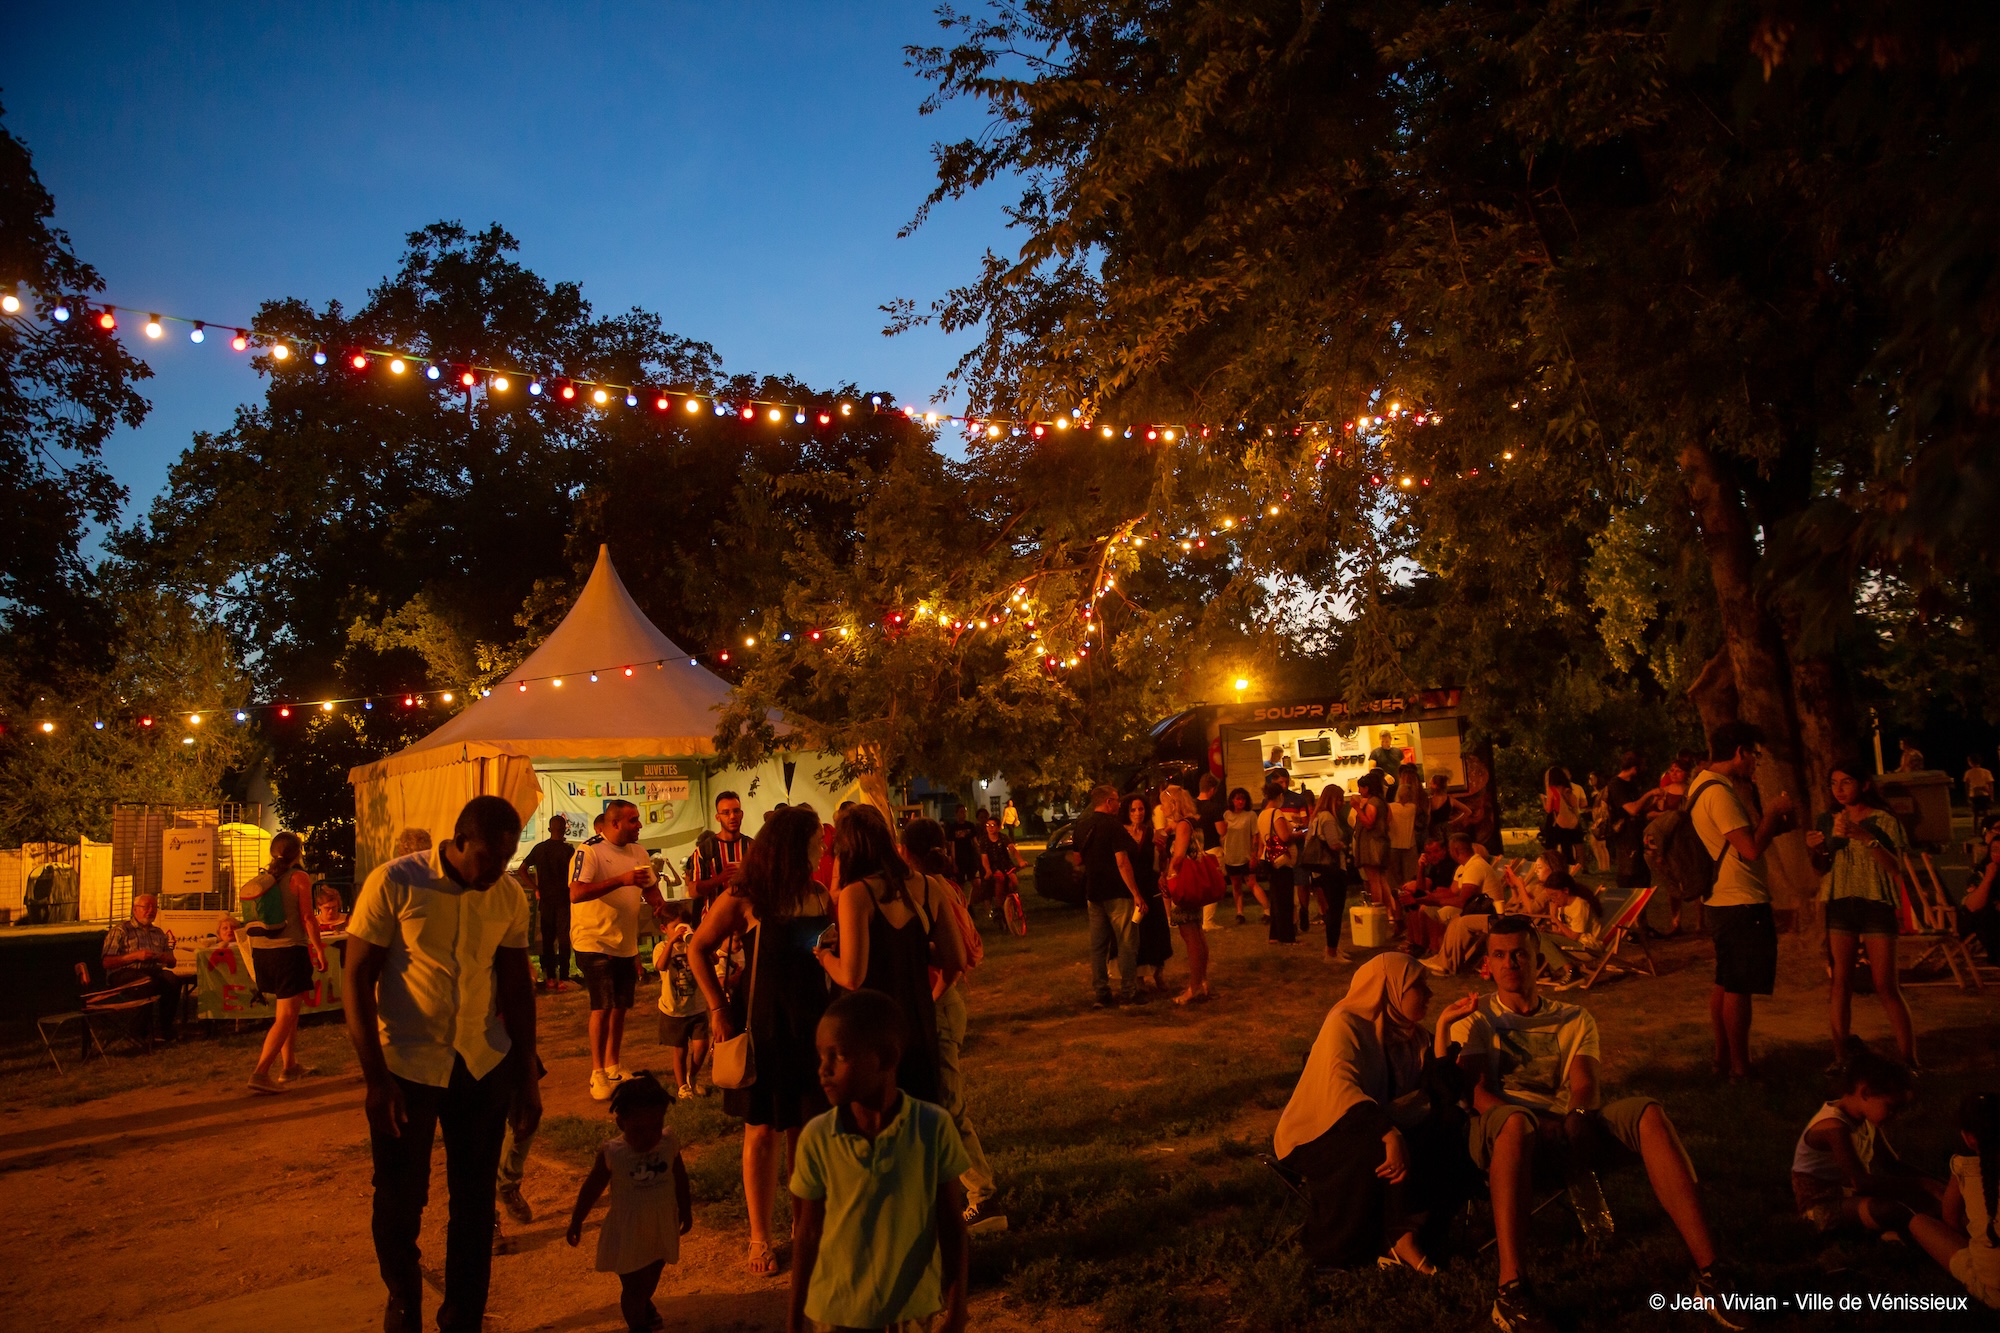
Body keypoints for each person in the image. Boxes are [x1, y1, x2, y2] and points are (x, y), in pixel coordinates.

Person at [1451, 916, 1735, 1332]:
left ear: (1536, 960)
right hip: (1503, 1134)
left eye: (1519, 954)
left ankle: (1712, 1273)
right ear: (1488, 965)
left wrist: (1577, 1117)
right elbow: (1478, 1095)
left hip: (1567, 1130)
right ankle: (1510, 1290)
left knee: (1648, 1113)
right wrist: (1535, 1119)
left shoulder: (1574, 1017)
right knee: (1514, 1122)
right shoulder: (1475, 1020)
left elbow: (1585, 1084)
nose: (1510, 962)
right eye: (1499, 955)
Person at [343, 796, 540, 1333]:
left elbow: (518, 987)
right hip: (406, 1065)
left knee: (475, 1203)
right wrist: (375, 1080)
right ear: (458, 840)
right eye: (490, 857)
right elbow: (357, 976)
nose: (499, 870)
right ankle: (403, 1299)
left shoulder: (506, 896)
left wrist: (526, 1074)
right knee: (401, 1199)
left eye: (508, 858)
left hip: (480, 1061)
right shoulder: (395, 882)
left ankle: (463, 1319)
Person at [691, 805, 833, 1277]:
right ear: (795, 845)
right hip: (764, 1024)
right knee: (761, 1131)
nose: (821, 848)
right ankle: (759, 1236)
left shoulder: (817, 895)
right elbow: (698, 948)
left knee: (806, 1132)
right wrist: (717, 1008)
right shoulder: (746, 898)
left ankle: (802, 1227)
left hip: (812, 1026)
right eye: (815, 840)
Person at [1275, 955, 1476, 1272]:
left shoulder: (1413, 1035)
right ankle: (1350, 1247)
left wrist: (1442, 1029)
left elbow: (1441, 1095)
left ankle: (1407, 1230)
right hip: (1318, 1134)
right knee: (1377, 1147)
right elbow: (1340, 1089)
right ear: (1390, 989)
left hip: (1378, 1125)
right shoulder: (1346, 1022)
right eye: (1418, 986)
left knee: (1449, 1122)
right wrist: (1388, 1132)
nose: (1429, 994)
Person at [787, 988, 970, 1333]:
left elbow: (951, 1223)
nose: (822, 1070)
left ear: (885, 1058)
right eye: (820, 1056)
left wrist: (957, 1310)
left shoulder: (931, 1128)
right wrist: (794, 1320)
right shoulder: (817, 1137)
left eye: (837, 1057)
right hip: (834, 1312)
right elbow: (808, 1232)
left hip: (908, 1311)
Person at [818, 805, 968, 1106]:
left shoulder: (857, 895)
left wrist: (823, 956)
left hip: (870, 1027)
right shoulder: (928, 886)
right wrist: (933, 996)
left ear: (849, 848)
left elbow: (851, 975)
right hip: (917, 1021)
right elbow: (957, 960)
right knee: (920, 1116)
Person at [897, 818, 1003, 1232]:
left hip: (938, 1004)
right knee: (932, 1104)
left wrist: (931, 996)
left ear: (906, 850)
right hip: (939, 1003)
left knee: (947, 1104)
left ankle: (983, 1196)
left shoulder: (930, 887)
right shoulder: (944, 884)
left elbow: (959, 956)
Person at [1687, 721, 1796, 1080]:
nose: (1755, 764)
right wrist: (1772, 813)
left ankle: (1722, 1060)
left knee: (1725, 981)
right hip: (1739, 901)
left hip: (1722, 899)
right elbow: (1749, 849)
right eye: (1755, 756)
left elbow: (1739, 843)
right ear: (1740, 752)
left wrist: (1774, 825)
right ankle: (1739, 1067)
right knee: (1738, 986)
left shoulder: (1701, 786)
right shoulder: (1719, 792)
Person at [1806, 761, 1916, 1066]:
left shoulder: (1884, 820)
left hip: (1875, 903)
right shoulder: (1827, 820)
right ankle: (1840, 1056)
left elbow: (1895, 868)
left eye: (1846, 782)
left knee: (1884, 984)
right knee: (1840, 981)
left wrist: (1865, 837)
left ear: (1864, 785)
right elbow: (1821, 869)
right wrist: (1816, 849)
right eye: (1833, 784)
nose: (1839, 790)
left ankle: (1909, 1058)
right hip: (1840, 901)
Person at [565, 1072, 693, 1333]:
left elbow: (679, 1176)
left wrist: (685, 1208)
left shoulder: (668, 1143)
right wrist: (577, 1218)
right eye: (639, 1129)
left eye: (655, 1126)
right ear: (621, 1123)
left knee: (653, 1273)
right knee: (633, 1285)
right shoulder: (614, 1153)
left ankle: (644, 1302)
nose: (648, 1136)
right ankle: (638, 1323)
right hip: (628, 1232)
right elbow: (592, 1187)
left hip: (659, 1226)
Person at [570, 800, 668, 1101]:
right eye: (634, 820)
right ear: (615, 824)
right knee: (602, 1005)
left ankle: (613, 1064)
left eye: (639, 820)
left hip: (624, 940)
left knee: (621, 1006)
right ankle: (597, 1072)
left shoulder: (638, 852)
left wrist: (659, 905)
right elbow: (576, 893)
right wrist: (620, 880)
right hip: (593, 939)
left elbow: (648, 885)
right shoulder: (589, 851)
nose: (640, 825)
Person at [1791, 1043, 1941, 1236]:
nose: (1895, 1116)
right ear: (1866, 1092)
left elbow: (1890, 1163)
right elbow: (1861, 1182)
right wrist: (1922, 1184)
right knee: (1890, 1210)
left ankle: (1903, 1230)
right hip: (1822, 1208)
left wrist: (1936, 1183)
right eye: (1891, 1107)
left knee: (1924, 1199)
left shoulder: (1865, 1118)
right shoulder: (1833, 1127)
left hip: (1854, 1197)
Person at [242, 831, 328, 1093]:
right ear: (299, 851)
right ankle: (260, 1073)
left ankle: (290, 1066)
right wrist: (319, 949)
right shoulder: (299, 877)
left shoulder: (265, 878)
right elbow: (307, 918)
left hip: (263, 950)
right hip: (289, 951)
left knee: (290, 1010)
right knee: (287, 1014)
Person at [1909, 1092, 2000, 1310]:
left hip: (1994, 1292)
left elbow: (1949, 1219)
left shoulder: (1964, 1167)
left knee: (1919, 1222)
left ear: (1969, 1138)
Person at [1073, 784, 1148, 1006]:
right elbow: (1122, 861)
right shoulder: (1113, 827)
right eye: (1116, 800)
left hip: (1093, 893)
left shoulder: (1081, 826)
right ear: (1108, 803)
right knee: (1126, 942)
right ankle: (1128, 990)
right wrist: (1136, 893)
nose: (1119, 804)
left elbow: (1078, 859)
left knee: (1098, 946)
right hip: (1117, 892)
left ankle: (1102, 993)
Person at [100, 892, 191, 1041]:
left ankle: (164, 1029)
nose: (151, 911)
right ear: (135, 910)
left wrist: (165, 958)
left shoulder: (159, 933)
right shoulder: (121, 931)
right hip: (123, 973)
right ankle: (139, 1032)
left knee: (172, 980)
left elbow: (172, 963)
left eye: (154, 907)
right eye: (146, 907)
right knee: (147, 983)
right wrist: (135, 956)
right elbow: (107, 962)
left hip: (151, 971)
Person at [651, 902, 710, 1098]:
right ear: (664, 929)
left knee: (701, 1046)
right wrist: (671, 943)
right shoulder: (661, 947)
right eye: (675, 927)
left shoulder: (692, 945)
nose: (680, 931)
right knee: (680, 1049)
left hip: (697, 1006)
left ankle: (692, 1076)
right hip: (674, 1009)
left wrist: (696, 941)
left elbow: (713, 960)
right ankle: (682, 1085)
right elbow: (660, 966)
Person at [1117, 793, 1173, 989]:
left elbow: (1161, 862)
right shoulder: (1120, 834)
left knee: (1157, 931)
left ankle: (1159, 973)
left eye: (1141, 809)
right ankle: (1138, 977)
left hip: (1150, 887)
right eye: (1133, 809)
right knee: (1135, 933)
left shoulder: (1151, 833)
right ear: (1126, 811)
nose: (1137, 813)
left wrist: (1163, 853)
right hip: (1130, 888)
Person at [520, 814, 574, 991]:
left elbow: (522, 870)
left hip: (546, 900)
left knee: (548, 940)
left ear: (550, 829)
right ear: (565, 828)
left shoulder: (540, 849)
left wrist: (536, 887)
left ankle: (550, 977)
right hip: (564, 899)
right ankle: (564, 978)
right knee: (564, 938)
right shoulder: (568, 851)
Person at [687, 790, 752, 919]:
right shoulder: (705, 850)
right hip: (715, 921)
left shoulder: (753, 847)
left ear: (742, 814)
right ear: (718, 817)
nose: (732, 816)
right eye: (726, 813)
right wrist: (720, 878)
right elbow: (693, 891)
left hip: (747, 919)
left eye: (736, 811)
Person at [1302, 784, 1350, 959]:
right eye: (1340, 799)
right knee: (1335, 912)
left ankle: (1334, 948)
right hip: (1333, 870)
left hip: (1319, 871)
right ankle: (1331, 951)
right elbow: (1333, 844)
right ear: (1332, 800)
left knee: (1329, 910)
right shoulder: (1328, 818)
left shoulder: (1316, 818)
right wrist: (1344, 845)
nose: (1342, 803)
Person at [1603, 751, 1656, 897]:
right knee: (1628, 877)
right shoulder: (1616, 785)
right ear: (1634, 768)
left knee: (1643, 878)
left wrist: (1653, 804)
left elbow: (1639, 810)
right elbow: (1632, 809)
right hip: (1626, 839)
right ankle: (1625, 913)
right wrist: (1649, 794)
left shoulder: (1632, 784)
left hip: (1638, 835)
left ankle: (1641, 917)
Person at [1257, 779, 1300, 945]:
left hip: (1268, 858)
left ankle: (1274, 934)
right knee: (1285, 900)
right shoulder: (1277, 814)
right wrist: (1297, 834)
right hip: (1281, 860)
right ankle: (1287, 936)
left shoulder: (1262, 814)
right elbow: (1284, 837)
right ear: (1280, 796)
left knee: (1275, 898)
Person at [1351, 769, 1393, 927]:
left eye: (1361, 788)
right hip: (1381, 842)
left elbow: (1368, 822)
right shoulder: (1383, 803)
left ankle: (1378, 913)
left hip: (1372, 845)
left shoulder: (1372, 803)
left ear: (1367, 788)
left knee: (1374, 881)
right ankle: (1391, 913)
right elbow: (1388, 820)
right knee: (1382, 880)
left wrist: (1357, 808)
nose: (1359, 791)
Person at [1220, 786, 1262, 925]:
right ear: (1232, 800)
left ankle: (1267, 909)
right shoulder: (1226, 815)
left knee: (1251, 883)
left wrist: (1254, 854)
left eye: (1243, 799)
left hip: (1246, 856)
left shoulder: (1250, 816)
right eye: (1238, 799)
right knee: (1236, 885)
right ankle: (1240, 912)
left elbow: (1255, 836)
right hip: (1231, 856)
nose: (1241, 802)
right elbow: (1222, 834)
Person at [1960, 822, 2000, 964]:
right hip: (1978, 917)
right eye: (1994, 850)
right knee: (1985, 915)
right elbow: (1972, 906)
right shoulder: (1981, 872)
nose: (1998, 854)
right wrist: (1989, 878)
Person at [974, 811, 1021, 924]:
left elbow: (1012, 849)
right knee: (999, 879)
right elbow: (984, 858)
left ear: (999, 827)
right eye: (988, 825)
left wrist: (1020, 860)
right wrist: (988, 870)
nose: (990, 828)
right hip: (994, 866)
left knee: (1013, 881)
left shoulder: (1003, 837)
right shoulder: (984, 840)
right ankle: (999, 908)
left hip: (1005, 864)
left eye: (993, 825)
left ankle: (1013, 901)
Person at [1540, 767, 1585, 869]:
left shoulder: (1552, 790)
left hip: (1556, 822)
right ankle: (1569, 867)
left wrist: (1543, 800)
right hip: (1569, 821)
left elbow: (1548, 809)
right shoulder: (1567, 788)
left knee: (1551, 846)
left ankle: (1550, 866)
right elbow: (1574, 804)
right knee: (1567, 847)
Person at [1387, 766, 1423, 894]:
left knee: (1394, 878)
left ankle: (1397, 899)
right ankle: (1409, 897)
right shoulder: (1413, 808)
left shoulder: (1390, 807)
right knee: (1409, 875)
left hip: (1393, 845)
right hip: (1409, 845)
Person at [1966, 757, 1995, 824]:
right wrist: (1992, 796)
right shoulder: (1986, 771)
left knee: (1975, 814)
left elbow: (1967, 786)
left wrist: (1968, 797)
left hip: (1974, 795)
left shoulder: (1968, 772)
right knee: (1987, 813)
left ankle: (1974, 831)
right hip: (1985, 795)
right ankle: (1989, 828)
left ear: (1970, 762)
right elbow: (1990, 785)